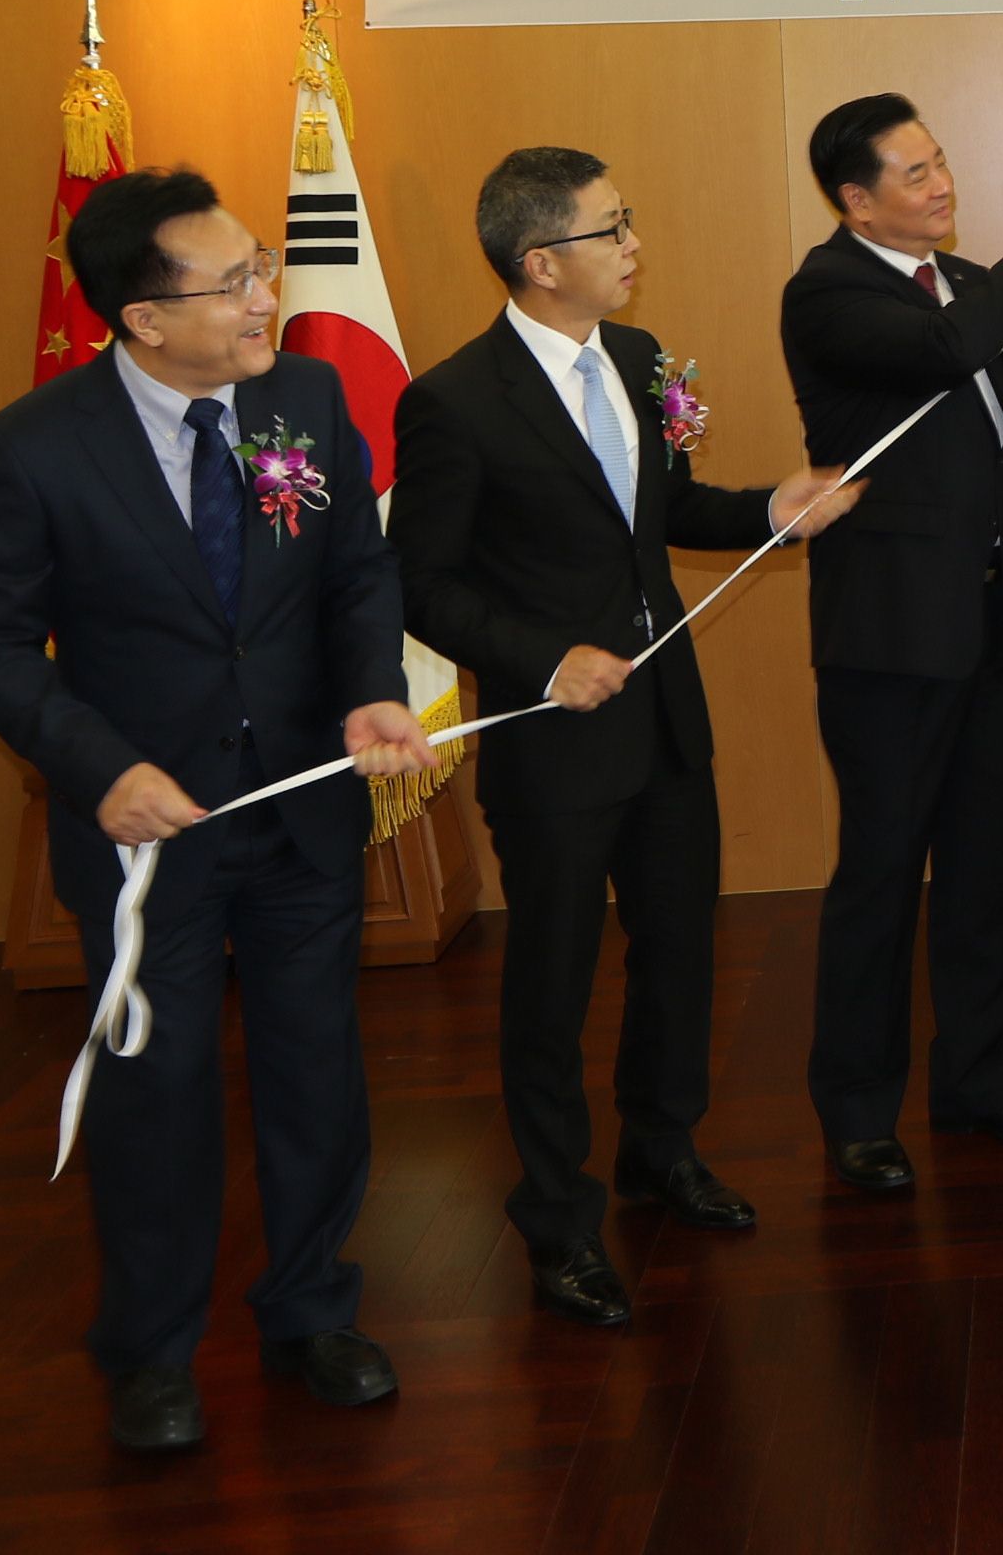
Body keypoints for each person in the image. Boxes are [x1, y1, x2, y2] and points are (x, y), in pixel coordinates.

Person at [0, 167, 436, 1453]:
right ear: (145, 318)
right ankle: (152, 1350)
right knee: (155, 1089)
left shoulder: (305, 396)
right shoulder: (35, 444)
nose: (267, 295)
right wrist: (96, 765)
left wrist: (373, 692)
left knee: (315, 1070)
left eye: (261, 264)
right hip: (142, 835)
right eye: (235, 283)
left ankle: (312, 1309)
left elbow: (356, 571)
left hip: (300, 809)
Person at [390, 149, 859, 1329]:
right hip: (554, 742)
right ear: (541, 262)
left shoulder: (639, 357)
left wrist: (769, 508)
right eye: (611, 228)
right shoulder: (454, 399)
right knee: (552, 984)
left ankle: (664, 1149)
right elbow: (423, 583)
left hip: (665, 721)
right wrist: (544, 660)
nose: (634, 243)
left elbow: (661, 514)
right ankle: (557, 1218)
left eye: (628, 219)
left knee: (680, 951)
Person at [782, 95, 1003, 1194]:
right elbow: (941, 352)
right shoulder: (829, 292)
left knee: (988, 868)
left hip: (996, 621)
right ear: (855, 198)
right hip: (891, 636)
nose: (942, 184)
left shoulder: (969, 283)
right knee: (882, 875)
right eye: (914, 172)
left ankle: (978, 1081)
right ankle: (858, 1113)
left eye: (941, 161)